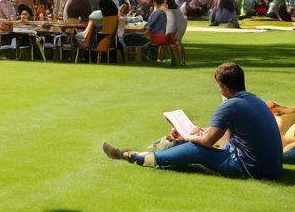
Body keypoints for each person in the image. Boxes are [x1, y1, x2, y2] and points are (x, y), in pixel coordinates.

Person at [103, 62, 283, 179]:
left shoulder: (231, 105)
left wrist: (189, 137)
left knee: (196, 149)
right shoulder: (254, 100)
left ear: (223, 87)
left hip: (251, 168)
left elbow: (208, 142)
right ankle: (159, 151)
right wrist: (201, 132)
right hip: (271, 167)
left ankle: (139, 157)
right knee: (197, 141)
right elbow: (227, 136)